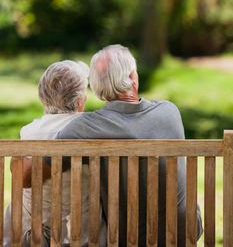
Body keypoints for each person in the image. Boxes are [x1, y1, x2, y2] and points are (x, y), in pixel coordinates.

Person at [23, 45, 203, 246]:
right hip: (184, 233)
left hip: (130, 240)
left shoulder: (85, 127)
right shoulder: (170, 112)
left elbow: (27, 177)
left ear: (98, 90)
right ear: (134, 78)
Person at [4, 60, 106, 247]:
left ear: (42, 96)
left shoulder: (29, 132)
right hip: (83, 236)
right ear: (81, 100)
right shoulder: (92, 129)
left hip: (31, 236)